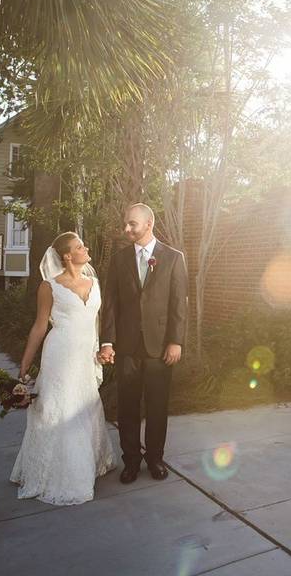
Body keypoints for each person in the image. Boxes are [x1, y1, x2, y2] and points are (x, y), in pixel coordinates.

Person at [10, 232, 116, 505]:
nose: (86, 248)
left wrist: (101, 349)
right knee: (62, 409)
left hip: (84, 356)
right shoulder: (49, 287)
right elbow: (39, 327)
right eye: (80, 246)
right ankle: (66, 475)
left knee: (86, 406)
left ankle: (89, 463)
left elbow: (95, 321)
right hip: (59, 355)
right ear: (68, 255)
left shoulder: (94, 282)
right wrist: (23, 366)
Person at [99, 203, 188, 483]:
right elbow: (110, 304)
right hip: (126, 347)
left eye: (132, 224)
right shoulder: (119, 259)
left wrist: (176, 341)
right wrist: (108, 342)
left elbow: (179, 304)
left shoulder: (173, 258)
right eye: (126, 223)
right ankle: (131, 462)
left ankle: (155, 459)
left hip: (159, 346)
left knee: (157, 405)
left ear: (148, 224)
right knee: (127, 406)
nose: (126, 229)